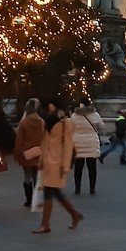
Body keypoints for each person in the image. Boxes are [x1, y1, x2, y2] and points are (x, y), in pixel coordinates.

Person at [32, 100, 83, 234]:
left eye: (51, 106)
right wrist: (41, 160)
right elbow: (45, 142)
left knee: (50, 192)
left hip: (57, 162)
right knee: (54, 192)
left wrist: (66, 165)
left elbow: (68, 145)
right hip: (48, 161)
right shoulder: (49, 121)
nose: (49, 108)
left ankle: (45, 224)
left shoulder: (66, 123)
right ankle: (74, 214)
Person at [15, 99, 46, 207]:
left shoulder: (23, 123)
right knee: (37, 176)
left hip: (26, 153)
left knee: (27, 176)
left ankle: (29, 200)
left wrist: (18, 153)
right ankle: (37, 198)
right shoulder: (42, 122)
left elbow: (19, 140)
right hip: (39, 151)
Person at [71, 102, 104, 195]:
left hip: (78, 142)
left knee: (78, 168)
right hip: (91, 142)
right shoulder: (95, 115)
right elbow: (101, 126)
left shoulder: (74, 116)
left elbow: (70, 127)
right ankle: (92, 188)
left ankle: (77, 188)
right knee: (92, 167)